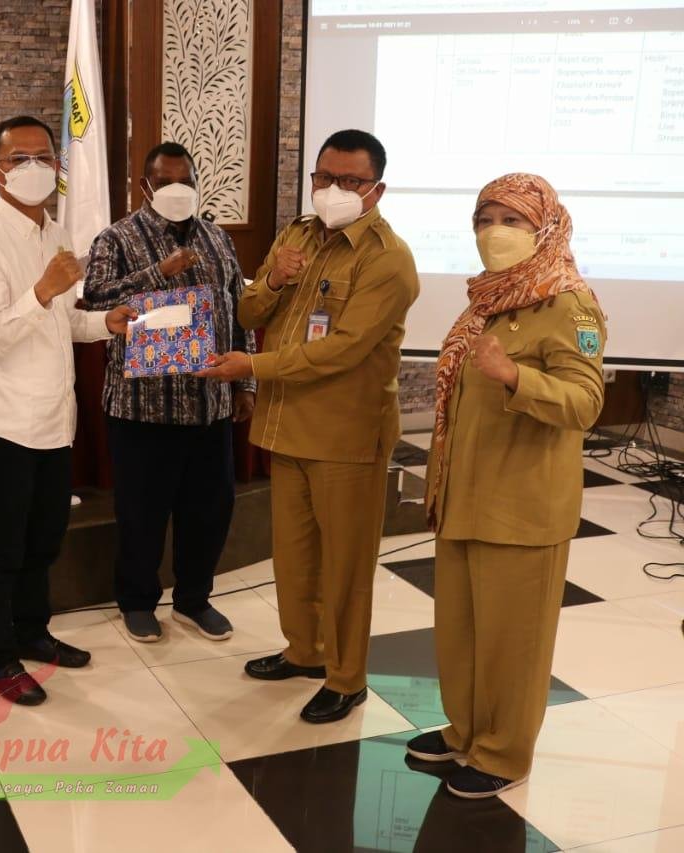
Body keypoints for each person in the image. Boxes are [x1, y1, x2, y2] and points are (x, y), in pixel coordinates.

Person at [200, 129, 419, 724]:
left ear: (376, 190)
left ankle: (346, 678)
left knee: (345, 565)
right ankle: (304, 651)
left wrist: (253, 367)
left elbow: (343, 350)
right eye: (325, 177)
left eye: (350, 181)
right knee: (294, 556)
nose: (333, 189)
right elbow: (248, 310)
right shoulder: (296, 233)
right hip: (287, 423)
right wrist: (274, 279)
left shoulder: (387, 259)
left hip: (346, 434)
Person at [405, 173, 604, 799]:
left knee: (513, 643)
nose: (494, 232)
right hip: (465, 496)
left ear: (544, 226)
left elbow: (585, 401)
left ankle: (505, 752)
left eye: (511, 219)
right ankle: (466, 731)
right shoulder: (489, 300)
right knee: (462, 632)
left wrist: (516, 377)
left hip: (523, 506)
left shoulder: (569, 303)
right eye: (484, 219)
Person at [0, 115, 137, 705]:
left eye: (44, 157)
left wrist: (104, 323)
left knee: (45, 540)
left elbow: (58, 324)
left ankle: (33, 632)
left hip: (56, 418)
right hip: (6, 419)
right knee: (4, 547)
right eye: (19, 158)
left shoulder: (56, 233)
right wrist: (43, 290)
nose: (34, 168)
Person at [84, 141, 257, 644]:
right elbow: (93, 301)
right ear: (145, 186)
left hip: (209, 405)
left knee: (209, 512)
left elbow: (239, 311)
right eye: (165, 183)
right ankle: (138, 602)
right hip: (142, 409)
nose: (176, 191)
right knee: (142, 515)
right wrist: (158, 273)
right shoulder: (116, 239)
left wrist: (245, 383)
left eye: (186, 182)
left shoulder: (218, 238)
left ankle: (194, 600)